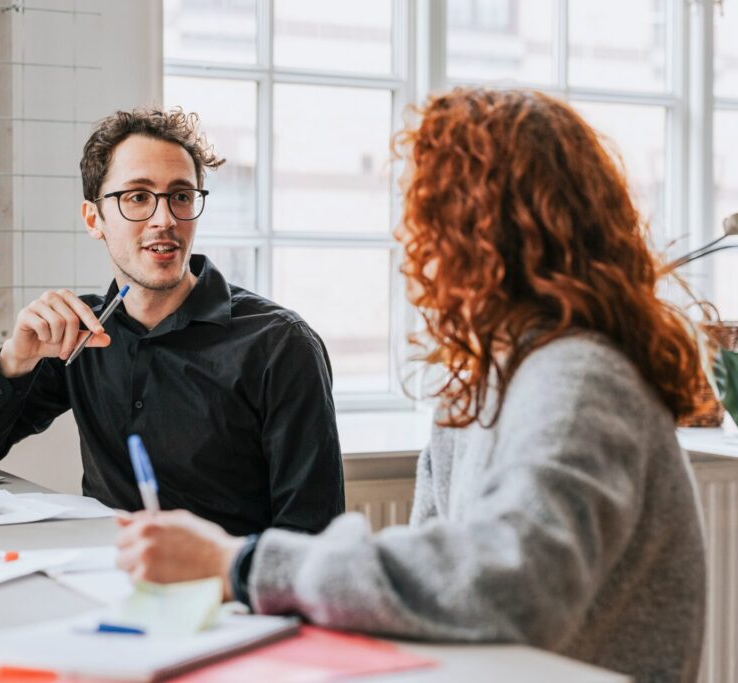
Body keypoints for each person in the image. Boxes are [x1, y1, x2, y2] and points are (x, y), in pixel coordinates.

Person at [114, 89, 707, 682]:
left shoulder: (581, 378)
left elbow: (510, 586)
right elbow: (432, 594)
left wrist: (237, 564)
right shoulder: (477, 387)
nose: (414, 241)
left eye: (432, 213)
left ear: (496, 231)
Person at [0, 107, 344, 536]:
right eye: (137, 197)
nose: (165, 219)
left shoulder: (279, 344)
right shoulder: (81, 334)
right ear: (94, 219)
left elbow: (313, 537)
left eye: (181, 196)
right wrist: (14, 359)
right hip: (103, 579)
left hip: (226, 594)